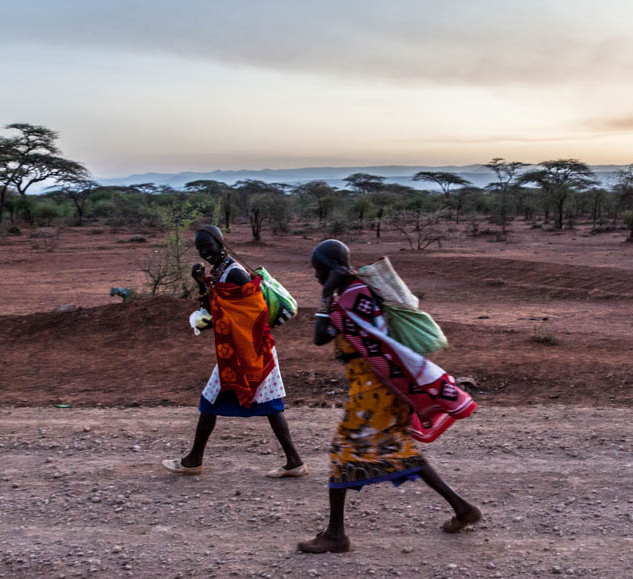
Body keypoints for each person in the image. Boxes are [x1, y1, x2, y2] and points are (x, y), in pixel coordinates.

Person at [298, 240, 481, 554]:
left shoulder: (354, 296)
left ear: (330, 268)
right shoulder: (356, 293)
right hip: (376, 388)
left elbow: (320, 336)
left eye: (318, 270)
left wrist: (325, 295)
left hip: (374, 392)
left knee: (343, 452)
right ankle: (462, 508)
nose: (315, 276)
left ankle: (336, 535)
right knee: (399, 452)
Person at [162, 225, 306, 477]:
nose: (204, 252)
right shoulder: (220, 271)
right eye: (200, 249)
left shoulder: (235, 273)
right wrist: (200, 284)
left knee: (213, 401)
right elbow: (217, 305)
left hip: (251, 352)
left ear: (221, 243)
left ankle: (194, 461)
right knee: (267, 406)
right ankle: (294, 461)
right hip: (241, 351)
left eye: (208, 246)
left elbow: (251, 313)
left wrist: (212, 316)